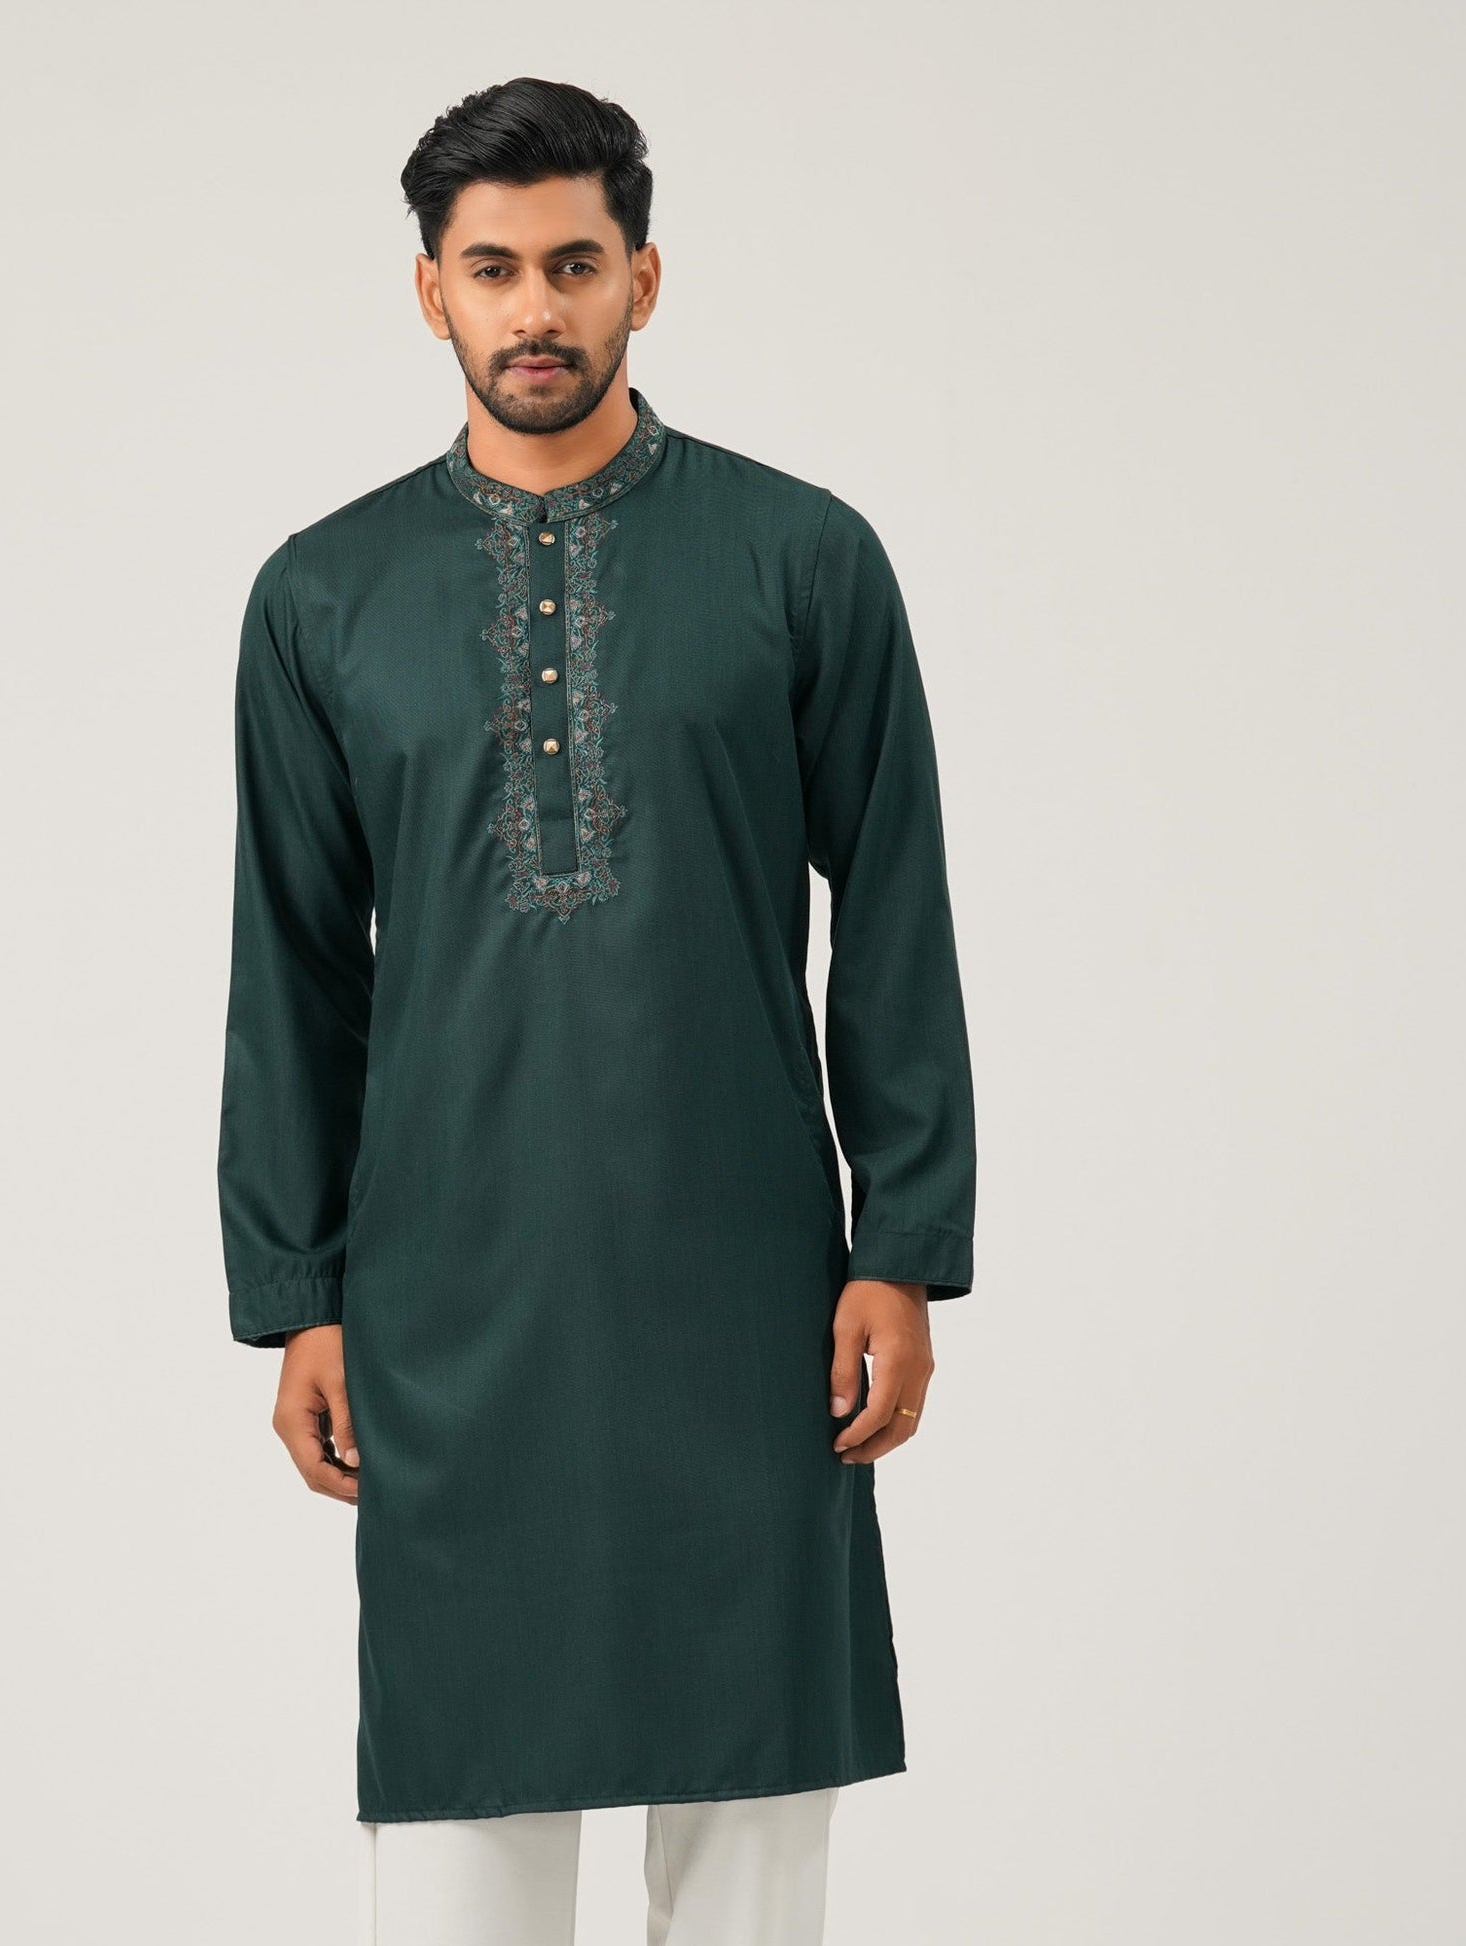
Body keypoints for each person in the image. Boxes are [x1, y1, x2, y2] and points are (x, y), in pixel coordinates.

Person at [217, 75, 978, 1946]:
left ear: (644, 275)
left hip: (746, 1301)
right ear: (431, 293)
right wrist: (298, 1288)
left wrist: (901, 1245)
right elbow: (294, 962)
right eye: (493, 270)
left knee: (750, 1859)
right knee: (455, 1856)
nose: (535, 309)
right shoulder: (323, 598)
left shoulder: (799, 559)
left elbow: (893, 909)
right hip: (450, 1306)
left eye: (573, 264)